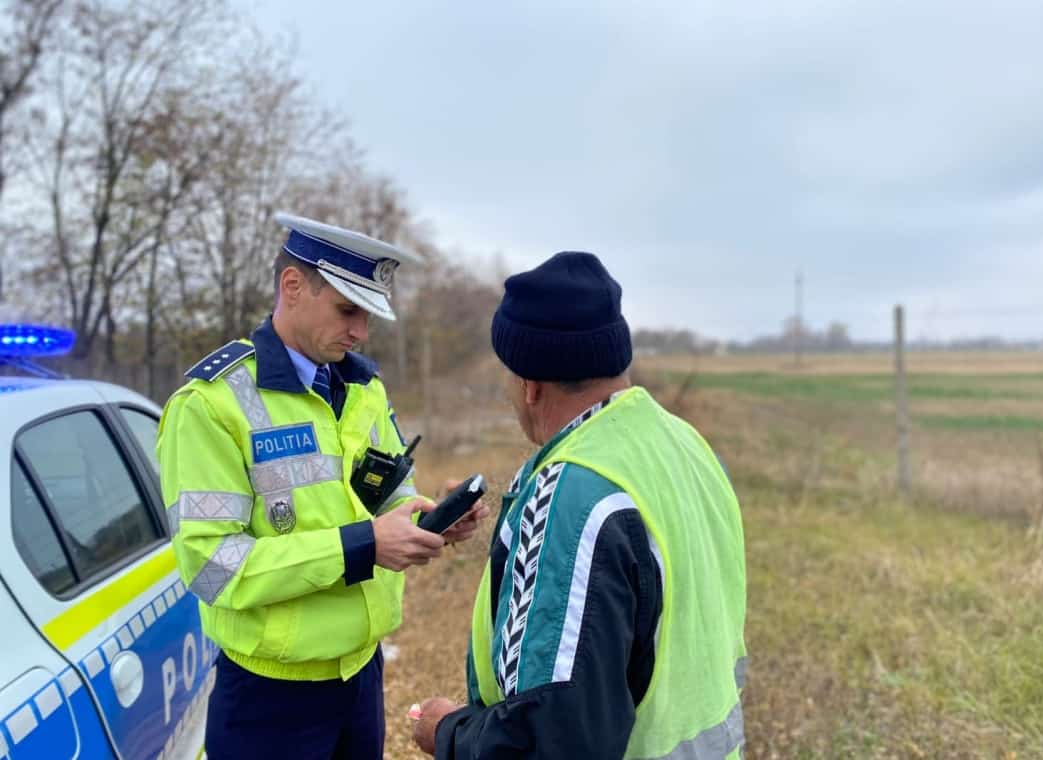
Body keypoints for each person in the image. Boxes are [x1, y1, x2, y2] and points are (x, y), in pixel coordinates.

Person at [157, 213, 487, 760]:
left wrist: (431, 519)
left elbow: (386, 493)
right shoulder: (210, 405)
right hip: (269, 695)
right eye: (347, 310)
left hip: (360, 675)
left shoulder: (362, 387)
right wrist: (363, 546)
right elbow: (210, 564)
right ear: (292, 286)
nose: (361, 331)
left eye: (368, 315)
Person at [412, 251, 748, 758]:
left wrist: (447, 732)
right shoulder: (687, 444)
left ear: (530, 386)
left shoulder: (571, 494)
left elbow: (553, 739)